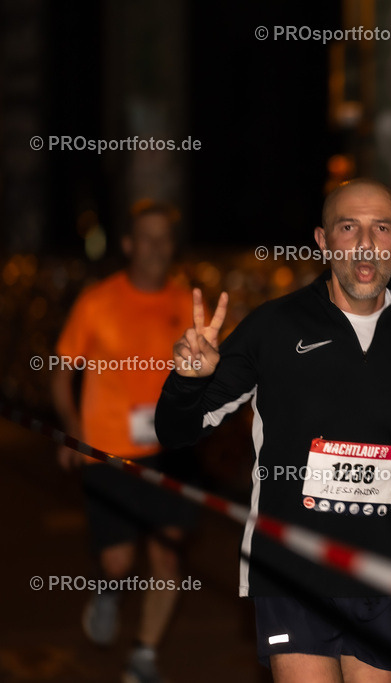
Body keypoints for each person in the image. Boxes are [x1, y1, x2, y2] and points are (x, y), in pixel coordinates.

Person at [154, 178, 391, 683]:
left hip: (384, 569)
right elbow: (175, 431)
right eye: (347, 227)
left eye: (381, 228)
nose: (364, 244)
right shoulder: (275, 327)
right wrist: (187, 380)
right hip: (291, 568)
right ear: (323, 241)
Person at [53, 200, 197, 683]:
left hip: (171, 452)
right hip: (108, 451)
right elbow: (60, 373)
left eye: (165, 238)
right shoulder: (97, 301)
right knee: (119, 558)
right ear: (129, 245)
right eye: (147, 237)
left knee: (167, 553)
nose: (157, 247)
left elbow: (215, 372)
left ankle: (142, 656)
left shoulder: (185, 304)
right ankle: (109, 589)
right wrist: (73, 430)